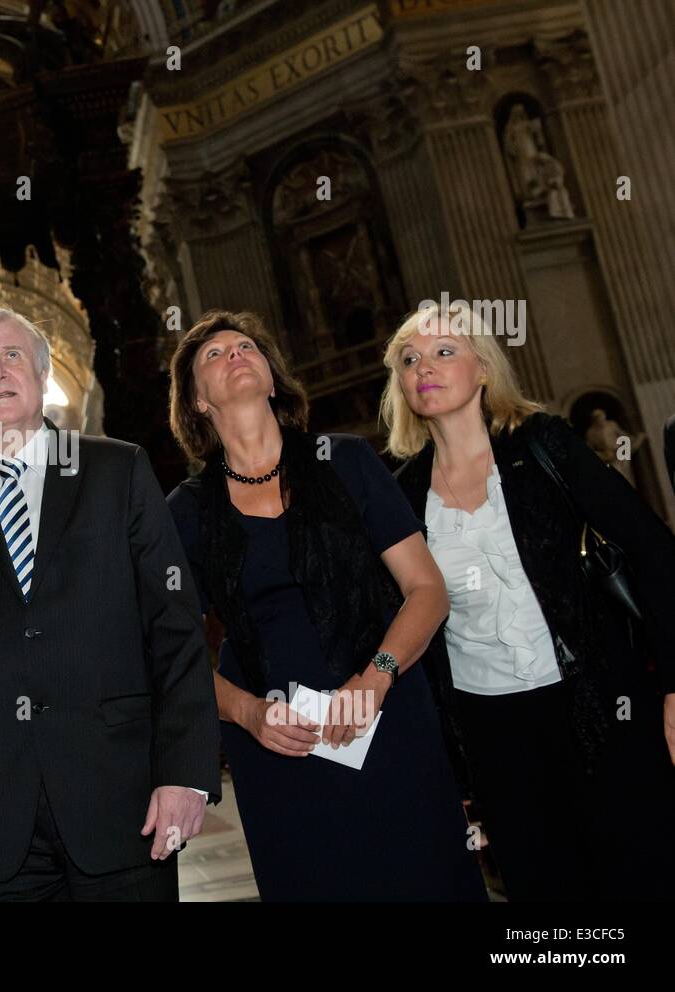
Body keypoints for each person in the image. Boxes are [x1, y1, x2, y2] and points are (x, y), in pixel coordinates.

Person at [0, 306, 219, 902]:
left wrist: (186, 771)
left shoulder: (119, 468)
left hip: (120, 798)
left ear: (41, 373)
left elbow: (175, 628)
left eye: (11, 356)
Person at [165, 309, 487, 902]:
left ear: (271, 375)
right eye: (214, 355)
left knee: (429, 880)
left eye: (247, 347)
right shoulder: (186, 510)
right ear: (197, 403)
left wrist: (377, 677)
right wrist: (246, 714)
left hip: (386, 715)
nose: (235, 354)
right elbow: (170, 654)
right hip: (277, 742)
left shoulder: (344, 461)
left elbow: (428, 590)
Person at [383, 301, 675, 900]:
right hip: (492, 729)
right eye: (409, 360)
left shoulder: (541, 445)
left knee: (640, 870)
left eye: (443, 352)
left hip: (596, 701)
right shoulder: (402, 495)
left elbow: (651, 549)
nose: (424, 368)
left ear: (483, 368)